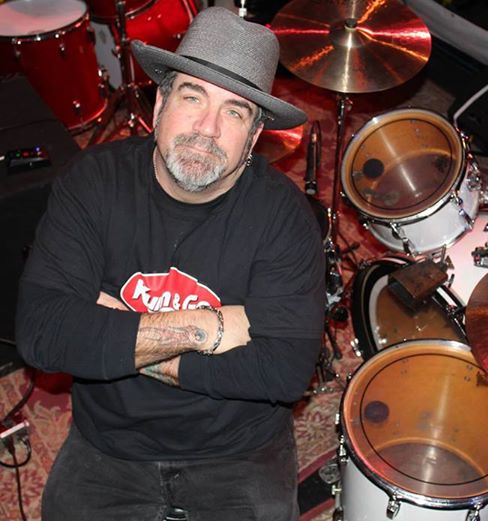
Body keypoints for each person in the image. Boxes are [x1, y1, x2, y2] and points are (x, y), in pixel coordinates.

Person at [15, 7, 325, 521]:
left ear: (253, 138)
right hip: (110, 439)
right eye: (192, 97)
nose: (207, 128)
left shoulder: (284, 218)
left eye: (234, 112)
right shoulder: (94, 182)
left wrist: (112, 334)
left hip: (239, 447)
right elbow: (43, 334)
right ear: (160, 103)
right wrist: (212, 326)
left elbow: (284, 371)